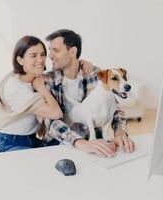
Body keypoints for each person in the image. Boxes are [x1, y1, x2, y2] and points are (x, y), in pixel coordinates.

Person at [43, 29, 135, 157]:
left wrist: (120, 131)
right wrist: (78, 142)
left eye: (56, 50)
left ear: (73, 52)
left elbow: (114, 108)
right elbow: (51, 122)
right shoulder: (47, 80)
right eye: (50, 50)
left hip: (95, 143)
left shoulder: (94, 74)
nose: (50, 55)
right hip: (59, 144)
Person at [0, 35, 64, 153]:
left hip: (31, 140)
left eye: (43, 54)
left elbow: (63, 73)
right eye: (33, 55)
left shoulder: (33, 77)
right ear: (20, 60)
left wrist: (81, 64)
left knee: (64, 145)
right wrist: (41, 88)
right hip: (7, 143)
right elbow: (56, 113)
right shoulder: (16, 87)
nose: (40, 60)